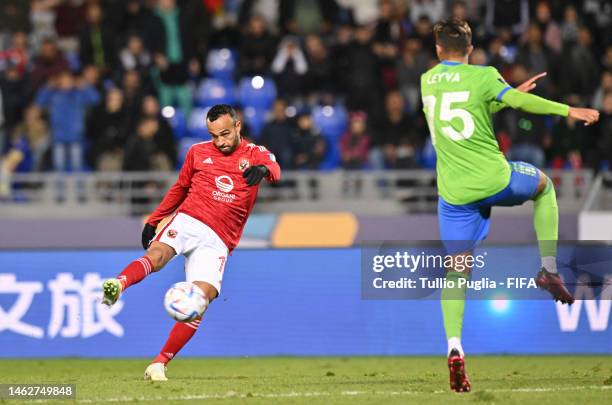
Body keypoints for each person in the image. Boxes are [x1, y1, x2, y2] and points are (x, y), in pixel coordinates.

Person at [420, 19, 599, 393]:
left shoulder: (428, 80)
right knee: (544, 186)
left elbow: (462, 116)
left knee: (457, 273)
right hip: (493, 180)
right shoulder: (484, 75)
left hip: (454, 195)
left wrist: (500, 95)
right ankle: (549, 269)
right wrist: (568, 110)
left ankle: (454, 347)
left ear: (438, 50)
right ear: (470, 48)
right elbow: (518, 102)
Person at [101, 104, 281, 381]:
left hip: (219, 239)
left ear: (237, 126)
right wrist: (154, 219)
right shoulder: (198, 152)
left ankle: (158, 363)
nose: (219, 142)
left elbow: (275, 168)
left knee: (202, 297)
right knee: (157, 255)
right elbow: (180, 188)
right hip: (189, 219)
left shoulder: (255, 153)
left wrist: (262, 171)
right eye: (214, 136)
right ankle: (118, 284)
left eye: (224, 134)